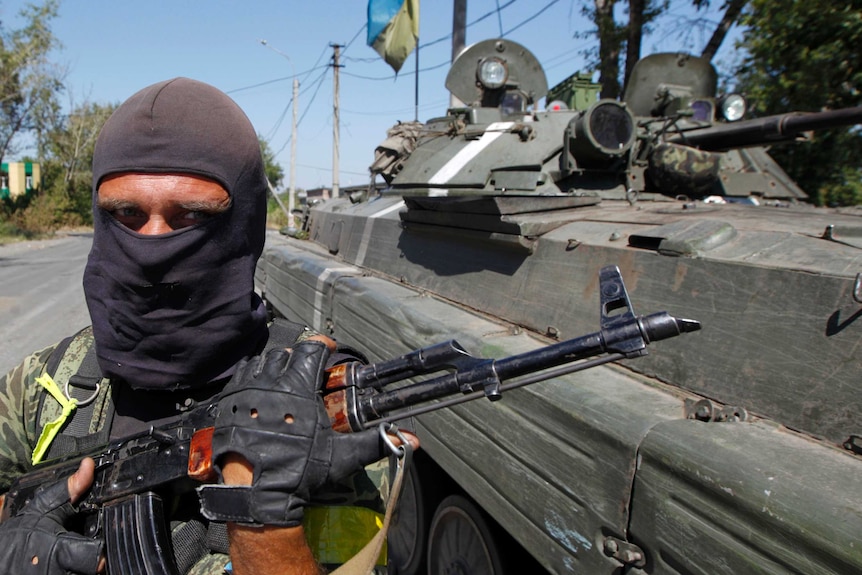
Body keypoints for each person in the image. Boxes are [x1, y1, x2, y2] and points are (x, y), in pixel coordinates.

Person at [0, 77, 416, 575]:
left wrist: (263, 519)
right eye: (126, 213)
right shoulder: (44, 385)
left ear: (244, 222)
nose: (152, 244)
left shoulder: (321, 398)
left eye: (191, 214)